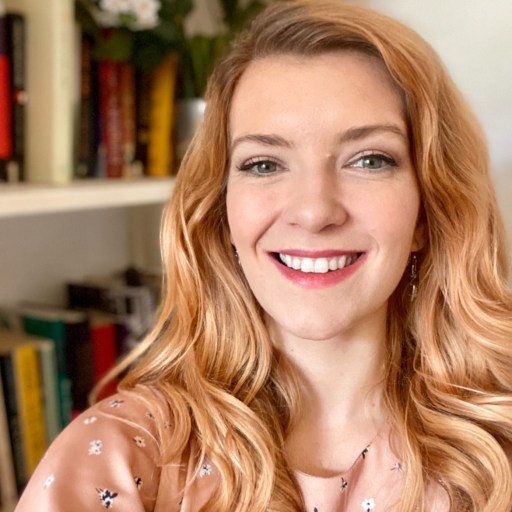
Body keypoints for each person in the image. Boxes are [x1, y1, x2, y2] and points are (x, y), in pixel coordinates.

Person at [15, 1, 512, 511]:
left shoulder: (498, 447)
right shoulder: (119, 458)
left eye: (369, 159)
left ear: (426, 212)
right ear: (222, 209)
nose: (314, 211)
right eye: (265, 163)